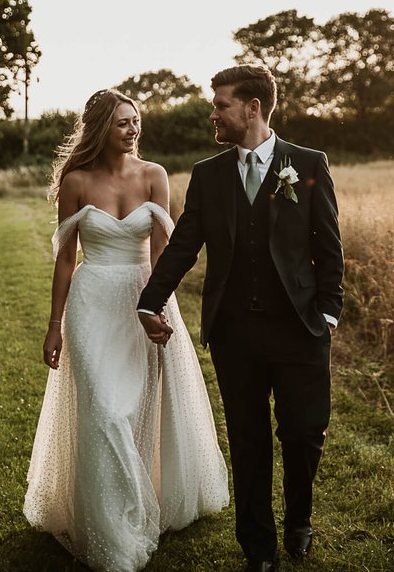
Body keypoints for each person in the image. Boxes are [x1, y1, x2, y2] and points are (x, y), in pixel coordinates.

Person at [138, 65, 344, 572]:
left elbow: (328, 246)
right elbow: (184, 244)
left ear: (253, 108)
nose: (213, 113)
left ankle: (299, 518)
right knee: (248, 440)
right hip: (235, 334)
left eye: (221, 104)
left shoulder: (307, 162)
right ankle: (258, 548)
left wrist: (329, 314)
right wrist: (150, 300)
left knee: (302, 432)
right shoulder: (209, 174)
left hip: (300, 329)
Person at [23, 89, 229, 572]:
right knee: (105, 411)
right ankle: (110, 524)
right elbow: (66, 260)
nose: (133, 129)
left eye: (136, 121)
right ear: (101, 129)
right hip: (93, 303)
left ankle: (147, 497)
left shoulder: (154, 176)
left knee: (139, 407)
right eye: (122, 123)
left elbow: (164, 251)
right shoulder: (76, 181)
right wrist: (55, 325)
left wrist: (157, 306)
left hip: (144, 297)